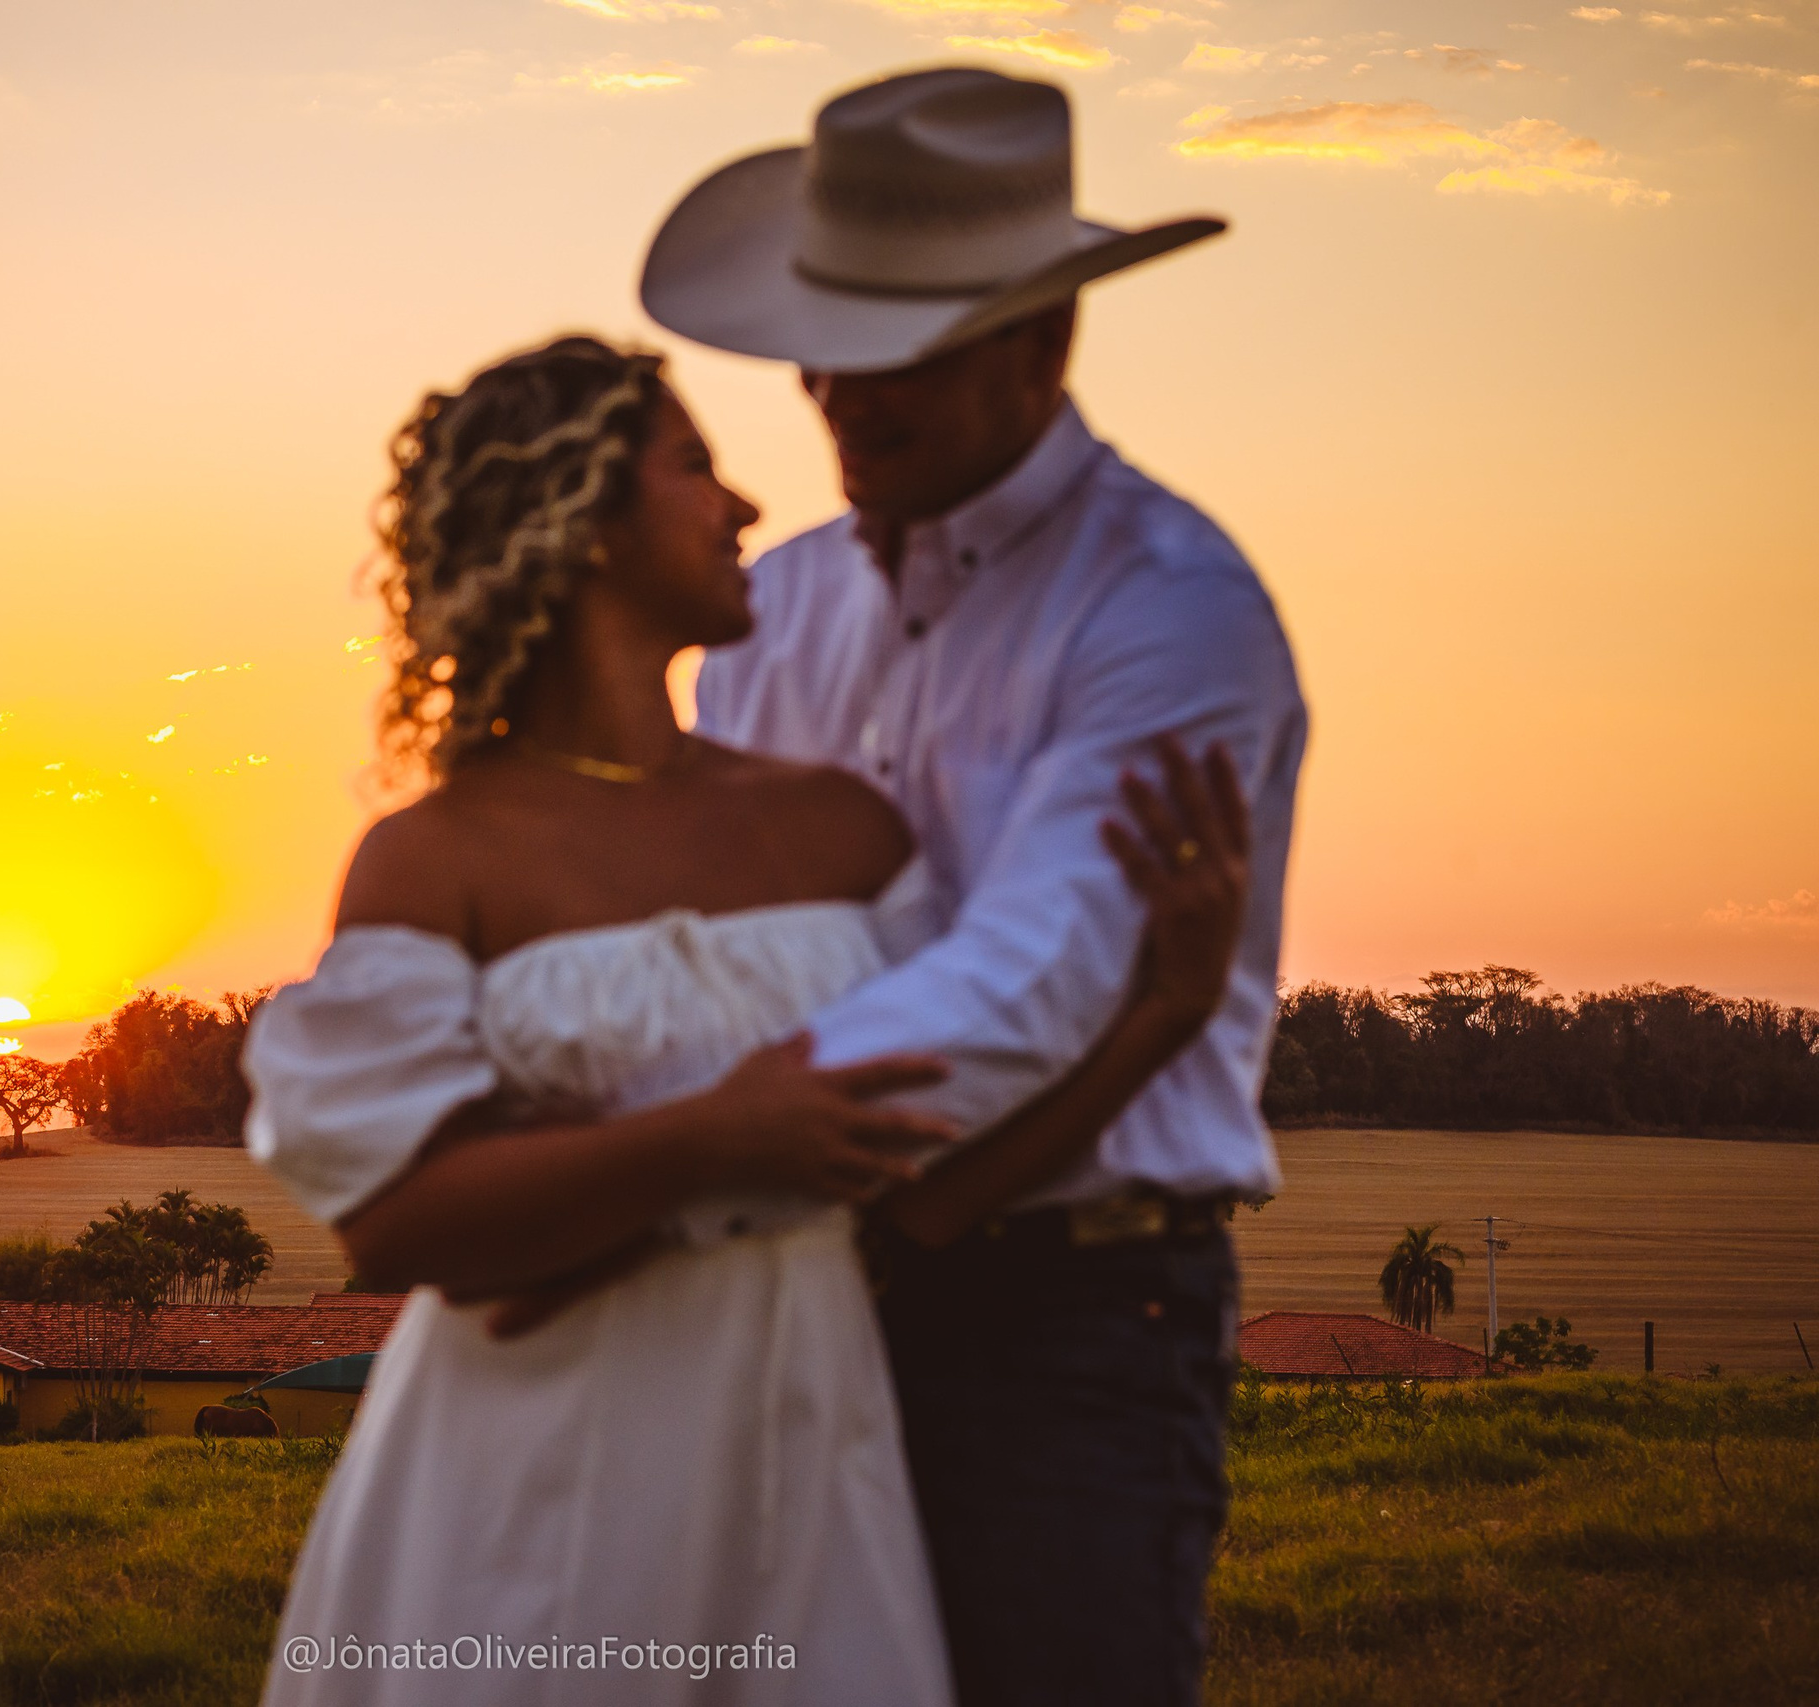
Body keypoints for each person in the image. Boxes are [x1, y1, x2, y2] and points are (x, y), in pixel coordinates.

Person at [241, 333, 1254, 1705]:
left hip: (801, 1451)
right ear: (584, 522)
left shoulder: (835, 828)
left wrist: (1165, 1014)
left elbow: (930, 1195)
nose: (745, 506)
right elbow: (401, 1226)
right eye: (694, 468)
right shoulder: (437, 856)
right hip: (520, 1463)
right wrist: (715, 1138)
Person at [642, 67, 1309, 1705]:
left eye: (898, 355)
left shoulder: (1170, 614)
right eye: (824, 344)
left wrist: (675, 1157)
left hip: (1072, 1316)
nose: (840, 397)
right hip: (783, 1298)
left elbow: (1033, 981)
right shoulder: (770, 619)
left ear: (1042, 340)